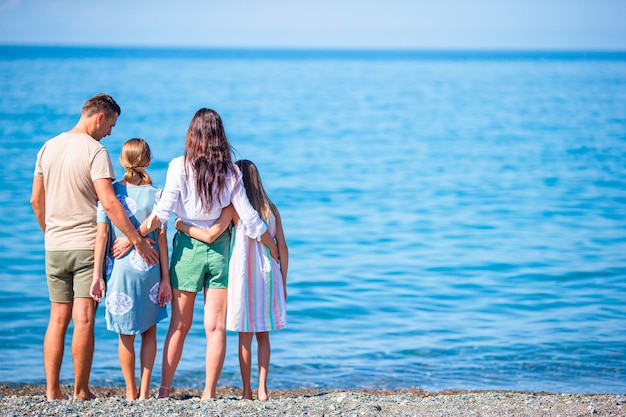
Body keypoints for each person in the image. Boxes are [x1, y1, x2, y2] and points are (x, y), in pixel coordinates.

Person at [130, 108, 278, 400]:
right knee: (215, 327)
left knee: (179, 325)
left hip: (187, 249)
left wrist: (136, 236)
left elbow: (162, 213)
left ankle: (163, 392)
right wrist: (271, 246)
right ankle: (208, 393)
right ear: (219, 136)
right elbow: (248, 218)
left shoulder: (178, 166)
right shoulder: (231, 171)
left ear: (192, 134)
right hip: (222, 250)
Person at [30, 94, 158, 401]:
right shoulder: (95, 150)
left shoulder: (48, 146)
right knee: (83, 318)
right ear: (100, 117)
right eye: (111, 124)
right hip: (86, 245)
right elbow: (110, 203)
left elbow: (36, 200)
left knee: (57, 318)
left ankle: (51, 391)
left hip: (55, 245)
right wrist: (139, 241)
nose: (110, 133)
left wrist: (50, 233)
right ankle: (81, 390)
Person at [176, 159, 288, 401]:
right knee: (264, 335)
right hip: (268, 278)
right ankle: (263, 390)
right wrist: (284, 283)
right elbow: (284, 249)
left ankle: (247, 390)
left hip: (243, 279)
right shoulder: (272, 210)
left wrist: (181, 225)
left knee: (245, 336)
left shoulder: (234, 210)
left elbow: (211, 234)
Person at [89, 138, 172, 400]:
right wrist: (167, 279)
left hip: (120, 272)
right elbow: (161, 241)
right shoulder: (158, 195)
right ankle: (146, 390)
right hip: (150, 268)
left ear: (122, 162)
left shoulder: (109, 194)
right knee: (149, 330)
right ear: (148, 162)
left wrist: (97, 275)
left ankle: (129, 391)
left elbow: (102, 236)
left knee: (125, 335)